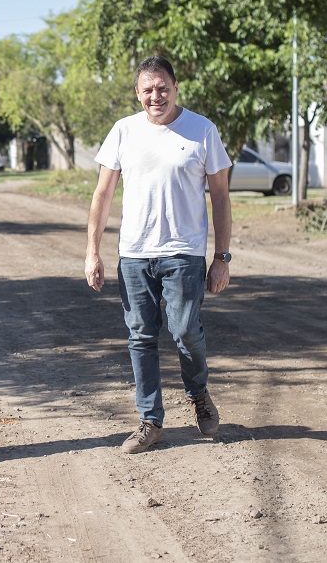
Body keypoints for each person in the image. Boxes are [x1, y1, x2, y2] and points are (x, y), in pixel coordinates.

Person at [84, 55, 232, 454]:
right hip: (134, 254)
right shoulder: (123, 131)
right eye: (148, 89)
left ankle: (198, 393)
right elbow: (102, 194)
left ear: (176, 87)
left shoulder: (202, 130)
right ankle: (150, 421)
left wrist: (222, 257)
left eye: (162, 87)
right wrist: (92, 252)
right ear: (137, 93)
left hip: (184, 252)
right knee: (141, 337)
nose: (156, 96)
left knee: (185, 331)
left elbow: (220, 195)